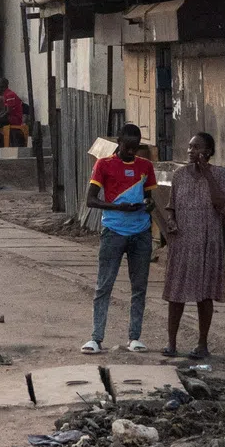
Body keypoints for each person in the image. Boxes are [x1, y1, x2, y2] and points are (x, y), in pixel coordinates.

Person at [82, 123, 158, 354]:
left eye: (136, 148)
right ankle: (96, 337)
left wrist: (148, 204)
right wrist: (117, 207)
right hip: (113, 230)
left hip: (141, 231)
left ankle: (135, 337)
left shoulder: (146, 166)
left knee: (139, 287)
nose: (132, 152)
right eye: (127, 147)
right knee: (104, 285)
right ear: (118, 142)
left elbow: (149, 197)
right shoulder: (103, 164)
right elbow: (91, 200)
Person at [162, 132, 225, 359]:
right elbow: (171, 207)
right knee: (176, 295)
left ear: (208, 152)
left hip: (207, 243)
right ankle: (171, 344)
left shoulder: (219, 175)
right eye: (190, 147)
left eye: (197, 148)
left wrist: (207, 176)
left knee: (205, 296)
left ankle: (202, 345)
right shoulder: (179, 175)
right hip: (182, 243)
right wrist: (172, 223)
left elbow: (223, 204)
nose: (191, 151)